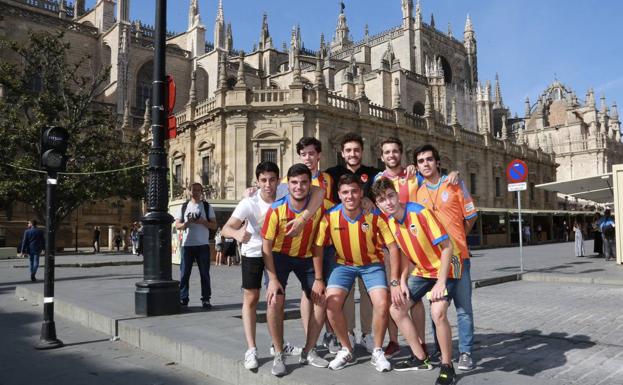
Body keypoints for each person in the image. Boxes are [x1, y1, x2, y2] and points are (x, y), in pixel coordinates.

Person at [372, 177, 460, 385]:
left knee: (438, 313)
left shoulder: (419, 212)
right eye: (383, 200)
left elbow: (447, 247)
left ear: (397, 194)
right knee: (396, 309)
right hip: (422, 272)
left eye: (391, 196)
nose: (389, 203)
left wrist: (440, 282)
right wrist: (402, 279)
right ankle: (421, 357)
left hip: (446, 269)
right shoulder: (391, 223)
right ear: (378, 204)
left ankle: (447, 366)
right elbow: (404, 254)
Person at [314, 174, 399, 372]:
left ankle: (377, 350)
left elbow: (393, 248)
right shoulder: (330, 216)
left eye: (354, 191)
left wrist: (394, 280)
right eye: (345, 192)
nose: (350, 196)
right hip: (343, 265)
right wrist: (319, 279)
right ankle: (346, 348)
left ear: (361, 193)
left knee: (382, 302)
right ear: (339, 195)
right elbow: (317, 248)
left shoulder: (375, 216)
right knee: (331, 303)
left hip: (371, 264)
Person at [261, 163, 333, 377]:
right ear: (287, 185)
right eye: (294, 183)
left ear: (309, 185)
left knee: (321, 297)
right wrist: (272, 278)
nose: (299, 187)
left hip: (307, 257)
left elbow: (339, 202)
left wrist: (366, 202)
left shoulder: (319, 204)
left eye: (303, 182)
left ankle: (309, 350)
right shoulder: (276, 209)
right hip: (279, 256)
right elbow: (265, 246)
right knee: (275, 300)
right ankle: (279, 353)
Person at [414, 144, 478, 371]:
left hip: (456, 258)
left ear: (437, 162)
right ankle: (442, 349)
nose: (426, 164)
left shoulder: (454, 183)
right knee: (436, 306)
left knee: (463, 307)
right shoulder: (418, 192)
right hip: (434, 261)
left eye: (429, 159)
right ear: (417, 166)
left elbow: (471, 216)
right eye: (421, 161)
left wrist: (459, 239)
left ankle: (466, 352)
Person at [222, 161, 281, 371]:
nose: (268, 184)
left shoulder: (284, 194)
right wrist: (237, 233)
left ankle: (277, 346)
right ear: (257, 182)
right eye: (263, 180)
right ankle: (251, 348)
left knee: (276, 299)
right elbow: (226, 228)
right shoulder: (249, 202)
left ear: (278, 180)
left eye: (272, 179)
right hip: (253, 253)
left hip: (276, 253)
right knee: (251, 297)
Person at [325, 132, 380, 353]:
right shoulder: (332, 174)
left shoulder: (374, 173)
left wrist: (371, 198)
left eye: (356, 150)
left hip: (369, 241)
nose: (352, 154)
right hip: (340, 242)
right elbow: (310, 187)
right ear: (342, 152)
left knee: (367, 292)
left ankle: (367, 333)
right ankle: (347, 331)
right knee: (344, 292)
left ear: (362, 152)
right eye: (348, 150)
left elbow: (390, 189)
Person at [174, 182, 217, 309]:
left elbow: (214, 225)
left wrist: (203, 222)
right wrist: (187, 223)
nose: (196, 192)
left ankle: (206, 299)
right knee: (184, 273)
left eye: (199, 190)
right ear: (189, 191)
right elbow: (177, 225)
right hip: (187, 245)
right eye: (194, 190)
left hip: (203, 245)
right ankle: (183, 298)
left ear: (201, 191)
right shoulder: (184, 207)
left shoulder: (207, 206)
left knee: (204, 273)